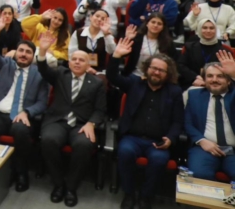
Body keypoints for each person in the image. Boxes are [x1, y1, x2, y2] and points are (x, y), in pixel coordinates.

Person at [108, 39, 184, 209]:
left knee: (158, 160)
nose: (156, 72)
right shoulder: (135, 84)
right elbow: (112, 76)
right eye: (154, 68)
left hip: (157, 142)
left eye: (161, 70)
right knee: (125, 152)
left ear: (168, 73)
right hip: (132, 138)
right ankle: (128, 193)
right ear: (147, 69)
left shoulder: (175, 92)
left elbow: (178, 121)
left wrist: (171, 139)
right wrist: (116, 56)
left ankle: (146, 196)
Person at [37, 33, 106, 208]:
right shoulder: (61, 73)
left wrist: (92, 123)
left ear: (88, 64)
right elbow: (44, 70)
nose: (76, 62)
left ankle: (71, 188)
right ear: (69, 63)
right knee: (48, 140)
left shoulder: (97, 83)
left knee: (84, 145)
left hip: (82, 124)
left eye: (81, 60)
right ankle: (59, 184)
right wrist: (43, 51)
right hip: (58, 120)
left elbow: (100, 110)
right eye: (73, 59)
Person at [0, 30, 49, 193]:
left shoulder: (40, 74)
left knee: (20, 131)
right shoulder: (5, 65)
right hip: (1, 113)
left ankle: (21, 172)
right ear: (16, 53)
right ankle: (6, 168)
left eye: (28, 52)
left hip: (23, 116)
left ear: (33, 56)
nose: (23, 54)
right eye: (21, 51)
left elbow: (42, 103)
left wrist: (27, 112)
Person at [184, 53, 235, 181]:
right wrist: (201, 140)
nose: (214, 80)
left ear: (229, 81)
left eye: (220, 76)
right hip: (205, 148)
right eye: (210, 76)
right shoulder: (194, 95)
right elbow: (187, 123)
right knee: (200, 174)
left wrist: (234, 74)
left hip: (233, 150)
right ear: (204, 80)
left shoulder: (233, 95)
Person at [122, 13, 177, 78]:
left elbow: (173, 62)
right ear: (147, 24)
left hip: (156, 78)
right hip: (135, 75)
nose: (155, 25)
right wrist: (128, 39)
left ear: (163, 27)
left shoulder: (168, 43)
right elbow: (122, 55)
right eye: (153, 22)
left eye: (159, 24)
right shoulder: (136, 38)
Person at [178, 18, 225, 90]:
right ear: (199, 29)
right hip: (192, 82)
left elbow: (226, 70)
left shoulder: (224, 50)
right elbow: (181, 65)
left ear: (216, 30)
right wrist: (195, 77)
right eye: (205, 28)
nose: (208, 31)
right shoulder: (189, 47)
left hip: (216, 84)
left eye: (211, 28)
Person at [68, 9, 116, 75]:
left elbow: (111, 51)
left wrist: (106, 34)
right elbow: (71, 53)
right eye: (97, 16)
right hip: (79, 69)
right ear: (91, 17)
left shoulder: (107, 35)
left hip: (100, 72)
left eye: (102, 18)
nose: (99, 19)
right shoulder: (78, 33)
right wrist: (86, 68)